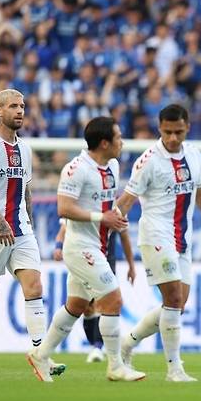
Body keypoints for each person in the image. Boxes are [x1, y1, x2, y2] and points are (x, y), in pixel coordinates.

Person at [116, 104, 201, 382]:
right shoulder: (147, 162)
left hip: (184, 238)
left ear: (187, 128)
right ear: (159, 129)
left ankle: (127, 343)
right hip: (156, 235)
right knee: (174, 300)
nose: (172, 138)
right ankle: (174, 369)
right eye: (167, 132)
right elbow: (127, 201)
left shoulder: (193, 154)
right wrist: (104, 223)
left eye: (178, 132)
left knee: (176, 306)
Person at [27, 116, 145, 382]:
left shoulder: (112, 166)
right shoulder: (75, 169)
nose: (121, 142)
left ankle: (40, 354)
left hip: (99, 246)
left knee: (76, 305)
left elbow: (108, 207)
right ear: (104, 143)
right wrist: (101, 218)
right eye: (117, 137)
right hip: (80, 247)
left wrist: (114, 217)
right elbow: (64, 208)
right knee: (113, 299)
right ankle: (115, 366)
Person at [0, 88, 64, 377]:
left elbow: (26, 189)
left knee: (34, 286)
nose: (20, 111)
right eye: (13, 106)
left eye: (22, 106)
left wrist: (28, 222)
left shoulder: (25, 148)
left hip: (20, 229)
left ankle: (40, 355)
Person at [52, 222, 136, 363]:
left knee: (103, 303)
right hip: (82, 256)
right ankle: (94, 346)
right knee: (86, 308)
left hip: (105, 260)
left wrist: (131, 265)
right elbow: (65, 226)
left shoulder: (115, 207)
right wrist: (58, 246)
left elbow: (124, 235)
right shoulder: (84, 205)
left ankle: (99, 347)